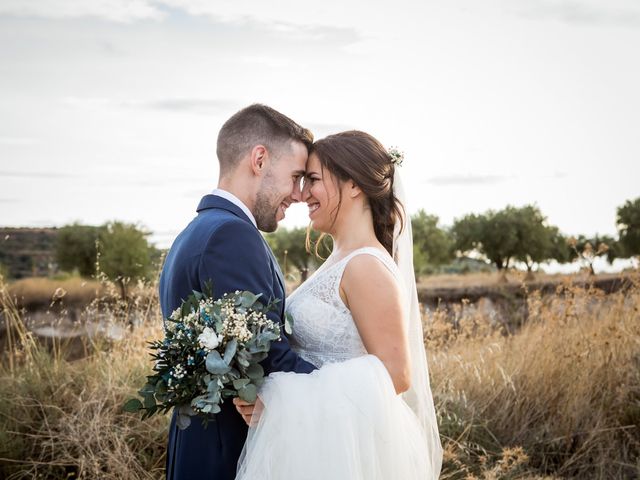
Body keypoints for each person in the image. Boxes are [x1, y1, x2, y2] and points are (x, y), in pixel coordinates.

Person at [235, 131, 443, 479]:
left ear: (354, 185)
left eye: (313, 180)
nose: (302, 194)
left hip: (347, 451)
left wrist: (282, 401)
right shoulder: (339, 258)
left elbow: (395, 375)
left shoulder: (365, 266)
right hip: (318, 443)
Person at [158, 104, 318, 480]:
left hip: (199, 445)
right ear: (259, 159)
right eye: (295, 176)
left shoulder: (195, 232)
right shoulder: (231, 236)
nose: (298, 195)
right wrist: (358, 394)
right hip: (228, 453)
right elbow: (269, 359)